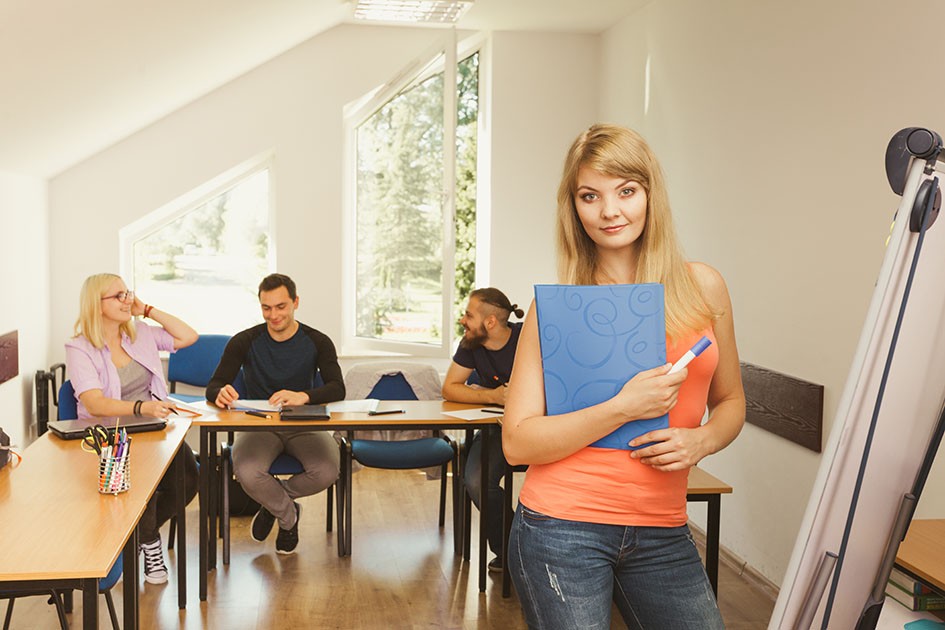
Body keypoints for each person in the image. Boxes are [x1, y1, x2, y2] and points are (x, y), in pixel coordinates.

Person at [502, 124, 746, 629]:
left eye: (626, 191)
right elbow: (517, 444)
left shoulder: (704, 287)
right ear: (573, 207)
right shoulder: (554, 311)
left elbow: (732, 402)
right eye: (590, 196)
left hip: (663, 528)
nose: (609, 211)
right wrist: (623, 406)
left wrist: (701, 441)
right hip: (560, 526)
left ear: (651, 194)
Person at [65, 273, 200, 585]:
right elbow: (95, 403)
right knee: (146, 483)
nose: (127, 300)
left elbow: (188, 337)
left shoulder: (139, 333)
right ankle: (150, 542)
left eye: (127, 293)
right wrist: (141, 408)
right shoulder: (79, 347)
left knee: (189, 480)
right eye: (118, 296)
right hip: (110, 437)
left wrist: (147, 310)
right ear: (96, 305)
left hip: (153, 427)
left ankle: (138, 535)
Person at [205, 273, 345, 555]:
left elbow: (337, 388)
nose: (274, 315)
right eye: (266, 308)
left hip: (304, 422)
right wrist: (220, 393)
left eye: (281, 307)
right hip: (260, 425)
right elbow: (214, 386)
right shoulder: (244, 341)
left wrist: (303, 396)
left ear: (295, 302)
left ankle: (275, 504)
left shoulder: (318, 341)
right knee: (246, 471)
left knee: (328, 470)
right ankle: (288, 515)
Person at [441, 288, 524, 573]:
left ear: (490, 322)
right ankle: (513, 551)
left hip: (539, 427)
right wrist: (494, 396)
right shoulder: (470, 344)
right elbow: (449, 388)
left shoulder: (530, 339)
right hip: (496, 429)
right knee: (475, 480)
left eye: (468, 314)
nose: (463, 320)